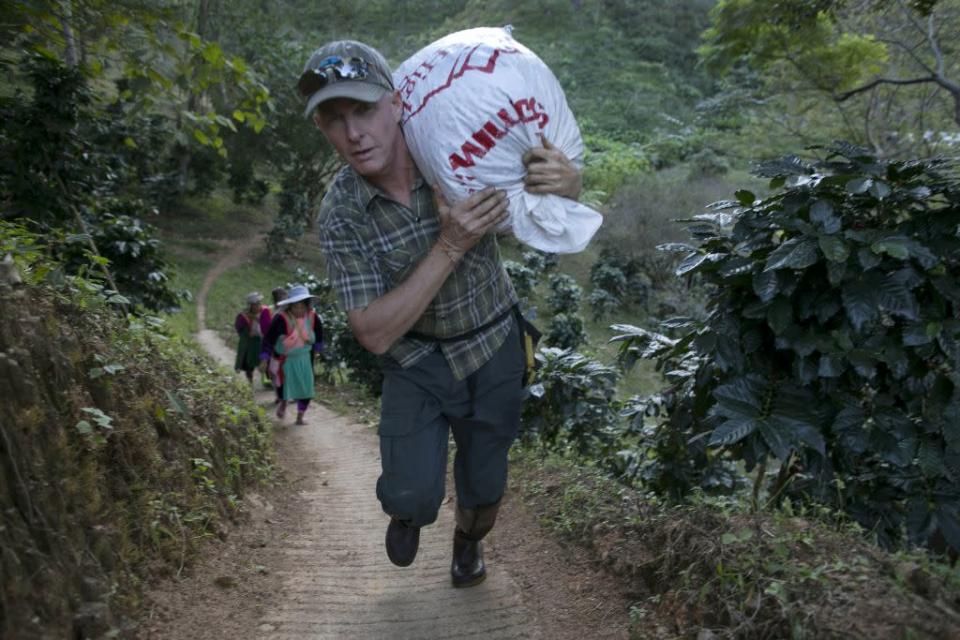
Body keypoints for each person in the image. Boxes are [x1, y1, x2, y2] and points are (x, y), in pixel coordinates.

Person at [302, 40, 582, 588]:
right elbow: (374, 333)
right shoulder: (341, 214)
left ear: (398, 103)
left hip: (491, 344)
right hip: (416, 360)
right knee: (409, 492)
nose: (354, 133)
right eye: (334, 121)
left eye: (363, 110)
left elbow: (542, 212)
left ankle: (468, 542)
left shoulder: (459, 148)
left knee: (484, 487)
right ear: (322, 131)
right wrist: (449, 245)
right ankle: (410, 511)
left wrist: (566, 186)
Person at [260, 284, 324, 425]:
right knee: (283, 386)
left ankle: (300, 416)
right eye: (296, 306)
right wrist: (265, 357)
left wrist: (318, 349)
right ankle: (283, 402)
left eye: (302, 306)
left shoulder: (313, 317)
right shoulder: (280, 318)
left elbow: (319, 335)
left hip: (305, 359)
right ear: (289, 306)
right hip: (286, 360)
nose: (299, 310)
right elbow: (269, 338)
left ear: (307, 305)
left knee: (306, 389)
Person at [234, 292, 267, 386]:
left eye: (259, 303)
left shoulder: (264, 312)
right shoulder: (243, 317)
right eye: (256, 304)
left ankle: (266, 380)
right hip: (250, 342)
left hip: (262, 341)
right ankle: (250, 381)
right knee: (249, 363)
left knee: (264, 361)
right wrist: (246, 333)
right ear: (251, 305)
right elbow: (238, 327)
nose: (259, 305)